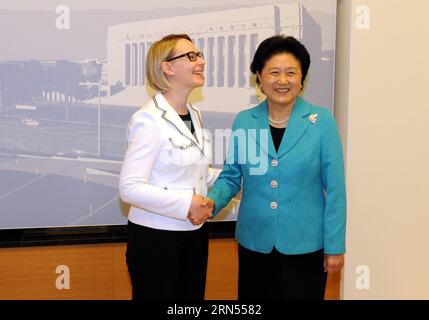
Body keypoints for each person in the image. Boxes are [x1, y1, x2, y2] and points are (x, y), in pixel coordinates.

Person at [205, 35, 346, 300]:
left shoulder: (322, 122)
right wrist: (211, 202)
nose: (283, 81)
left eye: (291, 72)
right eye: (274, 72)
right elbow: (232, 176)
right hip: (254, 244)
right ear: (259, 76)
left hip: (305, 246)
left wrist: (335, 246)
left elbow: (336, 190)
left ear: (302, 78)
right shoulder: (245, 121)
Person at [119, 34, 217, 300]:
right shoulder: (147, 120)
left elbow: (198, 174)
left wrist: (236, 178)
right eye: (191, 56)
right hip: (156, 241)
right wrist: (186, 204)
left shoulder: (194, 114)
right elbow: (129, 188)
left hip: (194, 236)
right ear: (167, 67)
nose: (201, 61)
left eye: (200, 55)